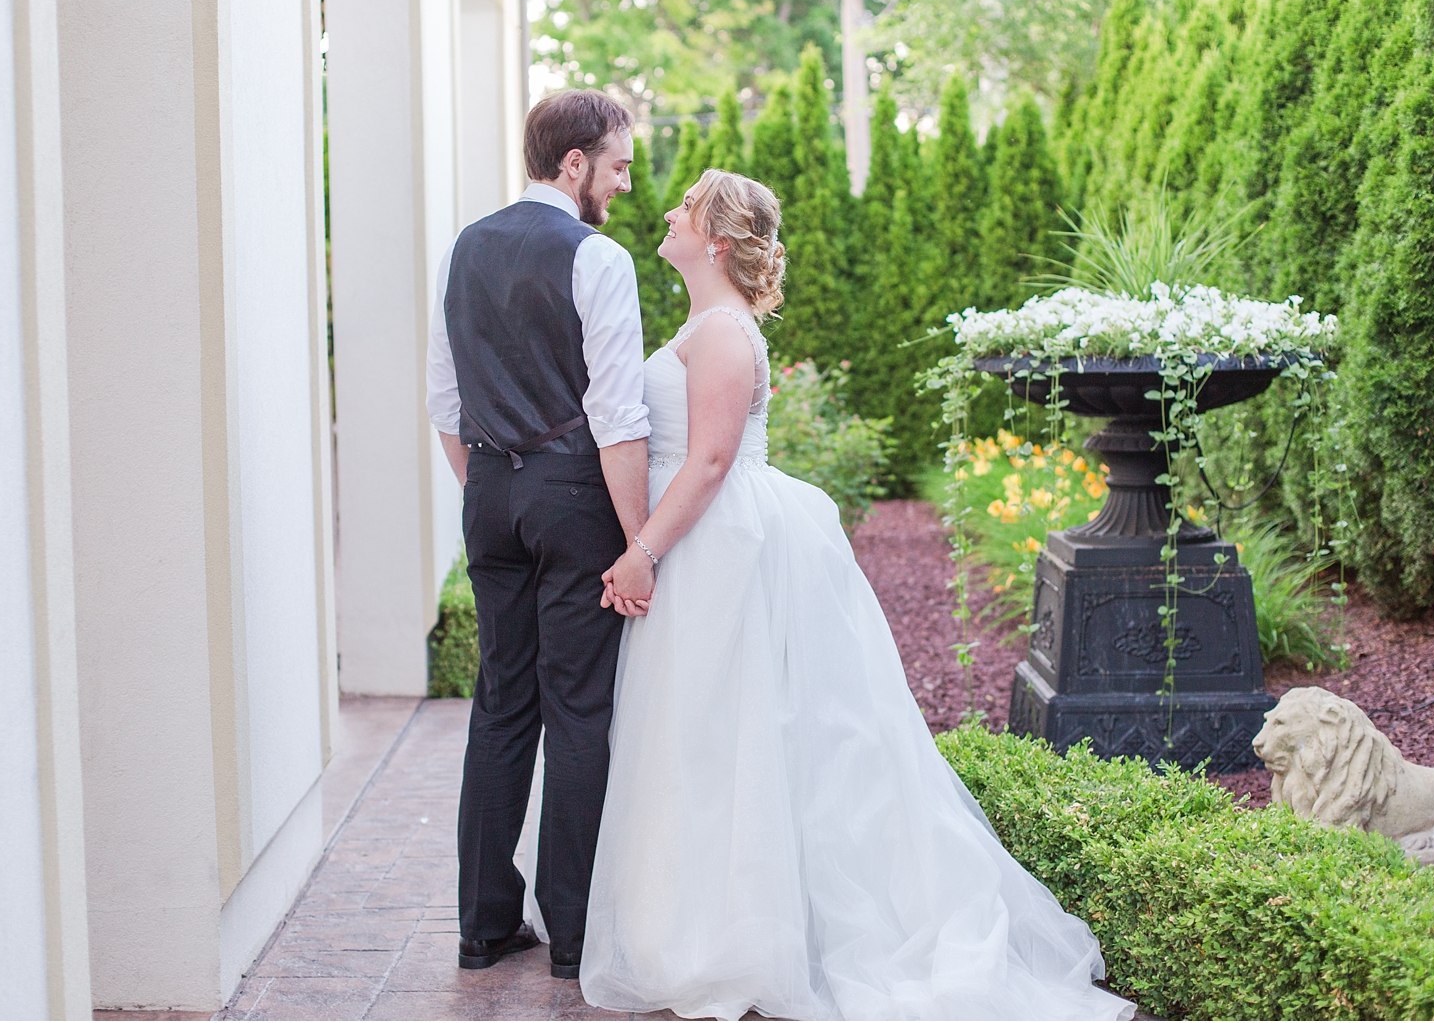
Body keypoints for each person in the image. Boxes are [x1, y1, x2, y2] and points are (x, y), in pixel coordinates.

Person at [573, 169, 1136, 1020]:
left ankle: (734, 938)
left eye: (685, 206)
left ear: (717, 239)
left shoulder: (722, 331)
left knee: (730, 733)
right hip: (703, 543)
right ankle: (695, 923)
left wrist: (643, 549)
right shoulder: (706, 320)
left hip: (714, 544)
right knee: (704, 736)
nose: (667, 212)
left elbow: (713, 460)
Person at [425, 88, 655, 981]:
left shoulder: (465, 247)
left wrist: (494, 486)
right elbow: (618, 416)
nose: (624, 186)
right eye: (619, 166)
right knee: (580, 706)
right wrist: (638, 541)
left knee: (500, 701)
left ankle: (483, 926)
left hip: (488, 488)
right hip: (573, 494)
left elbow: (445, 401)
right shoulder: (597, 257)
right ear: (575, 164)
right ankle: (573, 931)